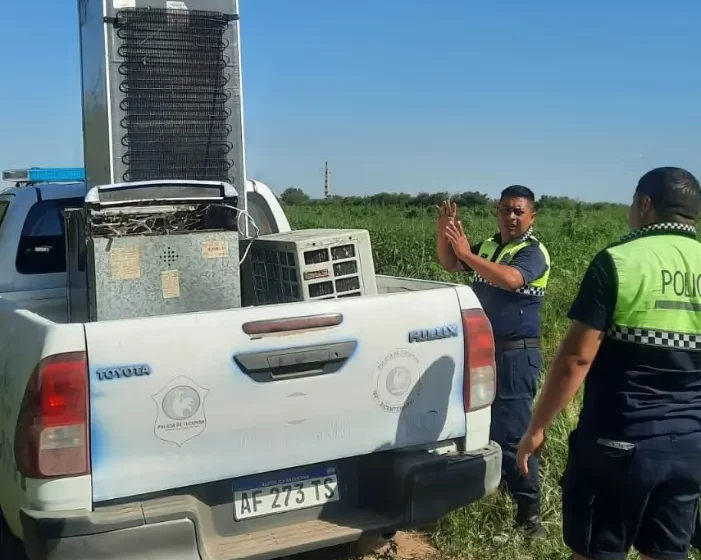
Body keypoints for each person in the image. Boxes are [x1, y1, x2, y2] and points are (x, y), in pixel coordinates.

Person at [516, 166, 701, 560]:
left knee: (597, 550)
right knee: (667, 552)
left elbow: (576, 359)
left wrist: (537, 426)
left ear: (645, 204)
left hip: (618, 441)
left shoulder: (618, 261)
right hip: (688, 444)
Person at [436, 185, 551, 536]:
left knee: (515, 431)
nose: (511, 216)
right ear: (497, 212)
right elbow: (450, 262)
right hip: (486, 352)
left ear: (532, 216)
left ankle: (529, 515)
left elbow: (511, 279)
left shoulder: (532, 252)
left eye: (518, 211)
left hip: (517, 354)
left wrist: (466, 255)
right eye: (505, 210)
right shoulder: (489, 246)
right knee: (488, 426)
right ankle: (501, 493)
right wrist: (446, 233)